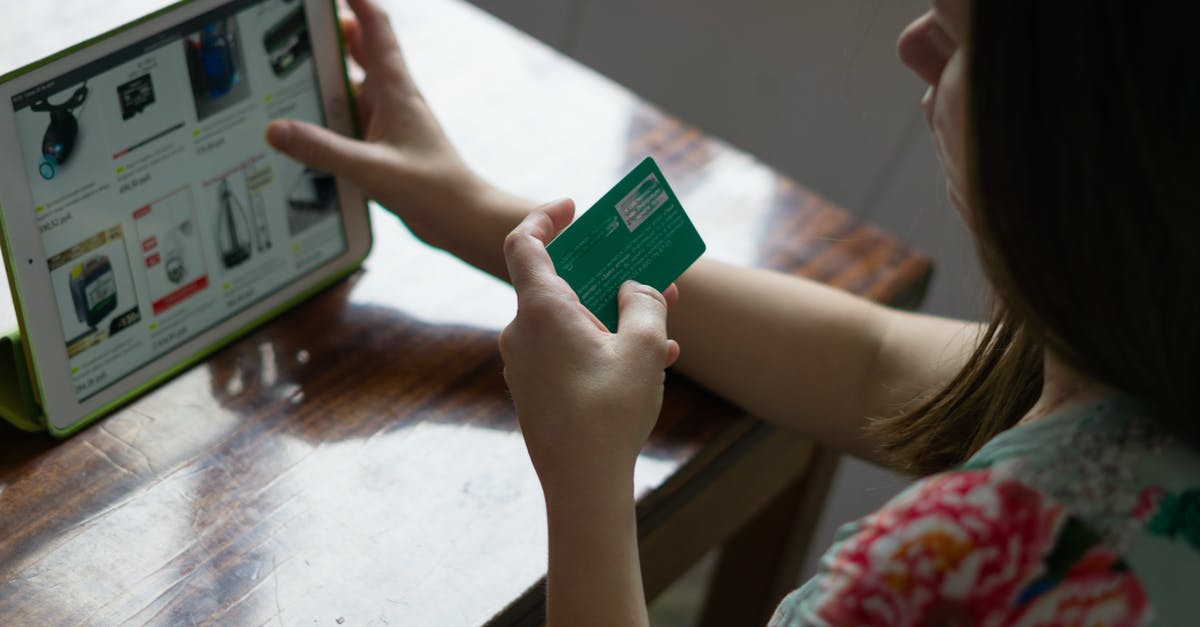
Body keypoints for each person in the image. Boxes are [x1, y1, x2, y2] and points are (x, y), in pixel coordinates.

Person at [266, 0, 1200, 623]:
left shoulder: (965, 570)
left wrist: (587, 470)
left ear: (1092, 138)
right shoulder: (1144, 370)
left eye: (964, 35)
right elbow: (871, 359)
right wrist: (476, 211)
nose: (914, 43)